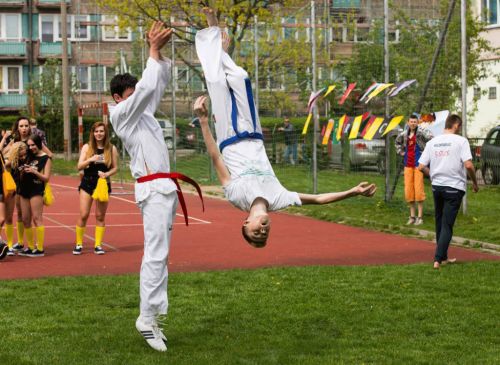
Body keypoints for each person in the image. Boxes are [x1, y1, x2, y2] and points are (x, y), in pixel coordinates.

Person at [194, 8, 376, 248]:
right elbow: (319, 199)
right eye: (264, 235)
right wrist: (352, 192)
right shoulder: (279, 199)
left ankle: (215, 36)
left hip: (227, 135)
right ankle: (219, 47)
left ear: (245, 223)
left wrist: (205, 122)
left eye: (255, 233)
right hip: (253, 132)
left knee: (217, 81)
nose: (262, 231)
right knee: (240, 75)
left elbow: (216, 159)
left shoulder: (237, 197)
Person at [109, 21, 178, 352]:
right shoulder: (120, 115)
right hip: (153, 191)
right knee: (155, 254)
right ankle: (146, 317)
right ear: (118, 98)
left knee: (161, 255)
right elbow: (147, 90)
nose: (137, 97)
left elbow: (155, 86)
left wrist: (159, 54)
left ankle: (154, 315)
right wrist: (152, 51)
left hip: (165, 189)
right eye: (131, 93)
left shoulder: (143, 113)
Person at [417, 114, 478, 269]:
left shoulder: (432, 142)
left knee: (440, 222)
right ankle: (438, 259)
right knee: (447, 225)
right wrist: (475, 183)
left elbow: (420, 166)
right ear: (456, 125)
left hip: (437, 187)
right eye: (460, 127)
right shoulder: (461, 141)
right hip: (454, 187)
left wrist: (434, 174)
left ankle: (443, 257)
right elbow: (469, 165)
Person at [73, 122, 118, 255]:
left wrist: (107, 174)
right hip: (87, 183)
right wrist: (91, 159)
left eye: (101, 131)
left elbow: (115, 167)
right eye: (96, 131)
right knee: (84, 214)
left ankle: (98, 245)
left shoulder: (111, 148)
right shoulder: (87, 147)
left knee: (100, 215)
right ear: (92, 133)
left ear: (105, 133)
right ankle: (79, 244)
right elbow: (79, 166)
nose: (99, 134)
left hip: (103, 184)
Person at [395, 114, 433, 225]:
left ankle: (420, 217)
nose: (413, 123)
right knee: (409, 191)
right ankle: (412, 216)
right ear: (408, 122)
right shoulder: (404, 134)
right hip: (408, 165)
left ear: (417, 123)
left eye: (415, 122)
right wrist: (401, 152)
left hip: (418, 165)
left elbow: (431, 138)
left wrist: (425, 153)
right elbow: (397, 143)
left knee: (419, 190)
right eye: (411, 121)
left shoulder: (421, 132)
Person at [17, 135, 51, 257]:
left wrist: (34, 171)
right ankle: (30, 247)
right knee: (26, 219)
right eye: (29, 145)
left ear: (39, 144)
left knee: (37, 218)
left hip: (36, 189)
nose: (31, 148)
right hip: (24, 189)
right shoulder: (28, 156)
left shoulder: (46, 158)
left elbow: (46, 178)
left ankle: (40, 248)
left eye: (33, 145)